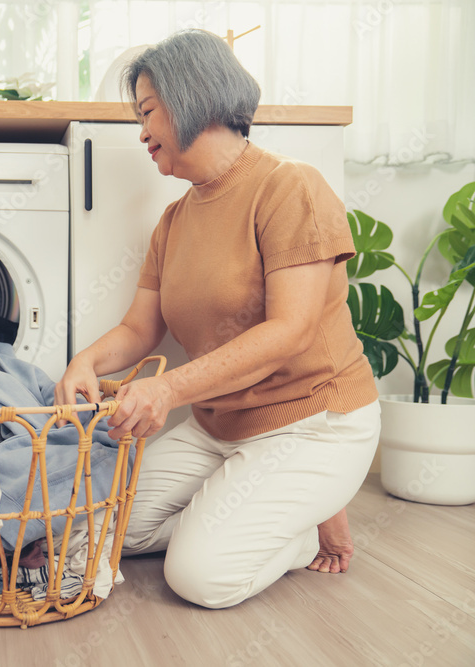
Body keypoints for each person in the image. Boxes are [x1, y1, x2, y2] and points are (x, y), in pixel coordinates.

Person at [55, 30, 380, 610]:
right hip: (220, 428)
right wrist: (83, 361)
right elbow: (138, 329)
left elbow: (292, 332)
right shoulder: (175, 220)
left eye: (148, 112)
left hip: (313, 423)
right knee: (99, 530)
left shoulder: (290, 187)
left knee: (200, 578)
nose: (142, 133)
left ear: (190, 99)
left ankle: (302, 529)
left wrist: (168, 389)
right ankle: (264, 507)